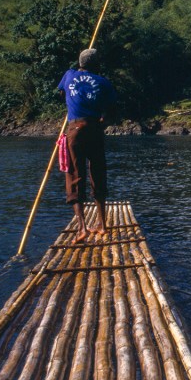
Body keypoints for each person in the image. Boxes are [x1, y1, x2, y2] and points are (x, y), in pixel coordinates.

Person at [58, 48, 117, 244]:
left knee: (75, 174)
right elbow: (110, 112)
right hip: (94, 128)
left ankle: (82, 228)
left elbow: (61, 92)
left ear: (80, 64)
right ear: (96, 65)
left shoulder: (69, 75)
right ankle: (102, 225)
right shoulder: (103, 82)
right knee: (98, 171)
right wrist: (102, 125)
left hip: (75, 129)